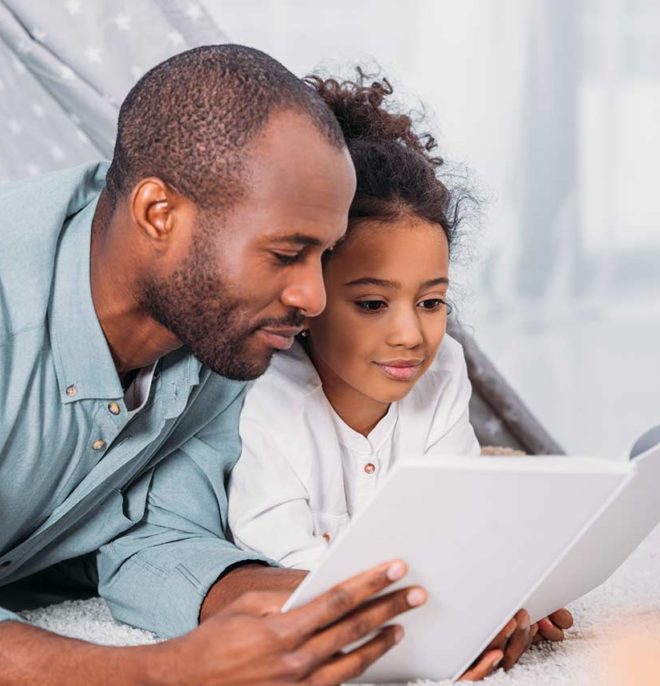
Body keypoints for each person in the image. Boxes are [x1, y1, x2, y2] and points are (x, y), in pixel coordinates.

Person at [0, 45, 426, 686]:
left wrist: (336, 605)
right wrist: (164, 673)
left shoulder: (224, 326)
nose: (313, 297)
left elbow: (154, 540)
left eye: (324, 258)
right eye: (286, 254)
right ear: (158, 213)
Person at [228, 72, 574, 670]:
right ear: (308, 298)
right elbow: (292, 575)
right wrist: (435, 616)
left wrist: (500, 592)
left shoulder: (444, 373)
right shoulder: (267, 398)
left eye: (432, 302)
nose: (411, 335)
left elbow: (459, 521)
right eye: (371, 304)